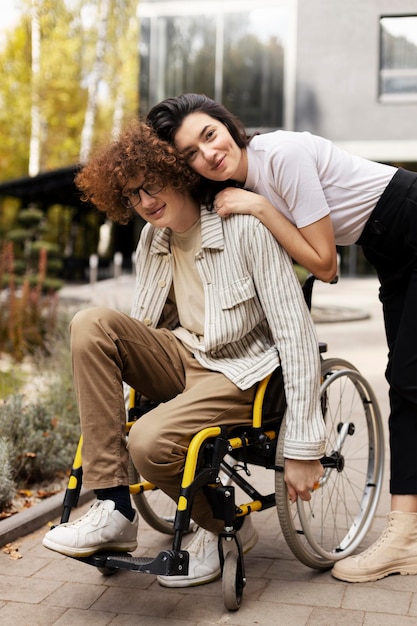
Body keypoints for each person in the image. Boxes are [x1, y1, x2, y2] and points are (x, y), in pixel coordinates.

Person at [146, 93, 417, 584]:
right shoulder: (229, 186)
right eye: (189, 153)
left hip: (411, 217)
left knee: (409, 382)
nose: (207, 153)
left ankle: (405, 537)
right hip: (388, 248)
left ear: (227, 124)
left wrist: (259, 208)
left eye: (209, 134)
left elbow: (325, 265)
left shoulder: (282, 157)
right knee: (406, 380)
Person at [42, 120, 326, 588]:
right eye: (132, 195)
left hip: (242, 371)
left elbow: (295, 334)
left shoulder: (244, 229)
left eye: (151, 185)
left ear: (176, 174)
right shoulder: (153, 240)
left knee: (149, 442)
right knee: (90, 322)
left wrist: (302, 441)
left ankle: (222, 522)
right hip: (183, 357)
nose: (145, 202)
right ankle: (113, 507)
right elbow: (146, 326)